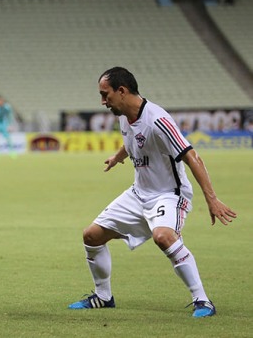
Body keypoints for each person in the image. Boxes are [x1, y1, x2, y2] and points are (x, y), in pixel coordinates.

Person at [68, 67, 237, 317]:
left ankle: (203, 301)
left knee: (164, 237)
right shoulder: (124, 115)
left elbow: (192, 156)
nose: (103, 102)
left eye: (106, 95)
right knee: (91, 236)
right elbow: (135, 141)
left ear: (122, 91)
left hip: (169, 194)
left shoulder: (158, 120)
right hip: (139, 193)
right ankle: (103, 297)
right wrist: (117, 156)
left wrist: (211, 199)